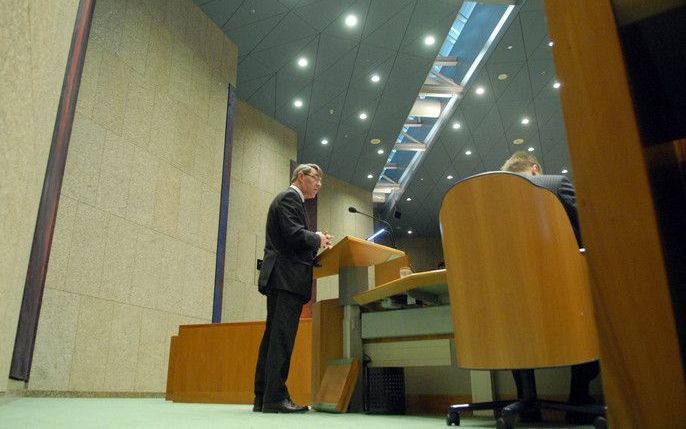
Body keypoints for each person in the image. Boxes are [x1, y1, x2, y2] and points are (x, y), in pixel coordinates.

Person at [501, 151, 601, 424]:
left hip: (514, 301)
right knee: (594, 309)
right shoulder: (555, 184)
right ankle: (578, 399)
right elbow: (591, 231)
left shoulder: (494, 206)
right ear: (535, 170)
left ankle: (527, 402)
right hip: (566, 296)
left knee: (516, 321)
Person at [253, 163, 333, 413]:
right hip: (285, 278)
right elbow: (293, 234)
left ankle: (263, 397)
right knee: (281, 339)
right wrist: (317, 238)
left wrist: (313, 238)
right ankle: (275, 398)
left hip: (283, 278)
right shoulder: (290, 197)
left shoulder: (291, 200)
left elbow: (294, 236)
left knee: (274, 338)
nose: (319, 184)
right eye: (315, 178)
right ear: (301, 176)